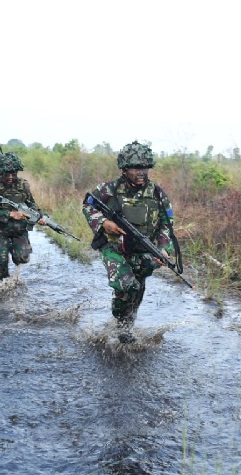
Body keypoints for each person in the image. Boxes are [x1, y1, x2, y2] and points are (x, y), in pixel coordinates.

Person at [82, 141, 177, 342]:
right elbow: (88, 205)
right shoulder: (108, 189)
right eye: (135, 168)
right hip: (114, 248)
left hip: (143, 250)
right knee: (126, 285)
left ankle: (126, 324)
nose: (141, 172)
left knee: (137, 288)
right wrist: (103, 222)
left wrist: (163, 249)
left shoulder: (158, 195)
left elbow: (167, 225)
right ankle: (120, 326)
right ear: (124, 169)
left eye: (144, 168)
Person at [0, 149, 46, 281]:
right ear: (1, 172)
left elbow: (32, 205)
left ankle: (14, 254)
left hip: (20, 230)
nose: (11, 177)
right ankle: (2, 287)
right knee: (3, 259)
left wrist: (39, 216)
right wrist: (10, 214)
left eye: (14, 173)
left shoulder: (23, 185)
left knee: (22, 258)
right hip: (2, 229)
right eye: (7, 174)